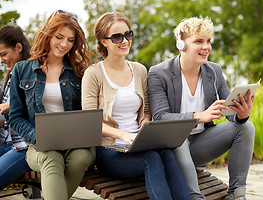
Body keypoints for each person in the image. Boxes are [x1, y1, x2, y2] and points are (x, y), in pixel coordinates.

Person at [82, 11, 190, 200]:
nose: (125, 41)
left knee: (166, 153)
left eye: (128, 34)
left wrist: (144, 129)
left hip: (139, 144)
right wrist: (125, 136)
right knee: (153, 159)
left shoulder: (139, 70)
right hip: (110, 151)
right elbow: (90, 122)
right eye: (117, 37)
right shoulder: (94, 74)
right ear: (103, 41)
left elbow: (146, 111)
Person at [148, 17, 256, 200]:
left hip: (200, 146)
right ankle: (195, 197)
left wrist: (241, 115)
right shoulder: (159, 73)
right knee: (178, 135)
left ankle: (237, 194)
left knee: (246, 127)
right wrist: (199, 116)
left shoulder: (214, 72)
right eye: (199, 41)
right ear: (181, 44)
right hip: (172, 148)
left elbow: (229, 111)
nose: (206, 47)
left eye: (208, 41)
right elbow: (160, 117)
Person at [8, 10, 95, 200]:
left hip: (77, 143)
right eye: (59, 37)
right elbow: (15, 117)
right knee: (51, 157)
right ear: (48, 34)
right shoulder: (22, 70)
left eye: (71, 40)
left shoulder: (80, 72)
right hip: (40, 144)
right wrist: (37, 136)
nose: (64, 44)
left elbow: (89, 111)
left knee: (81, 159)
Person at [0, 25, 31, 190]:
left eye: (4, 54)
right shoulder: (12, 74)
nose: (1, 60)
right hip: (8, 143)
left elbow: (41, 103)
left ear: (18, 47)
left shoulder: (34, 71)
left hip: (24, 146)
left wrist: (11, 105)